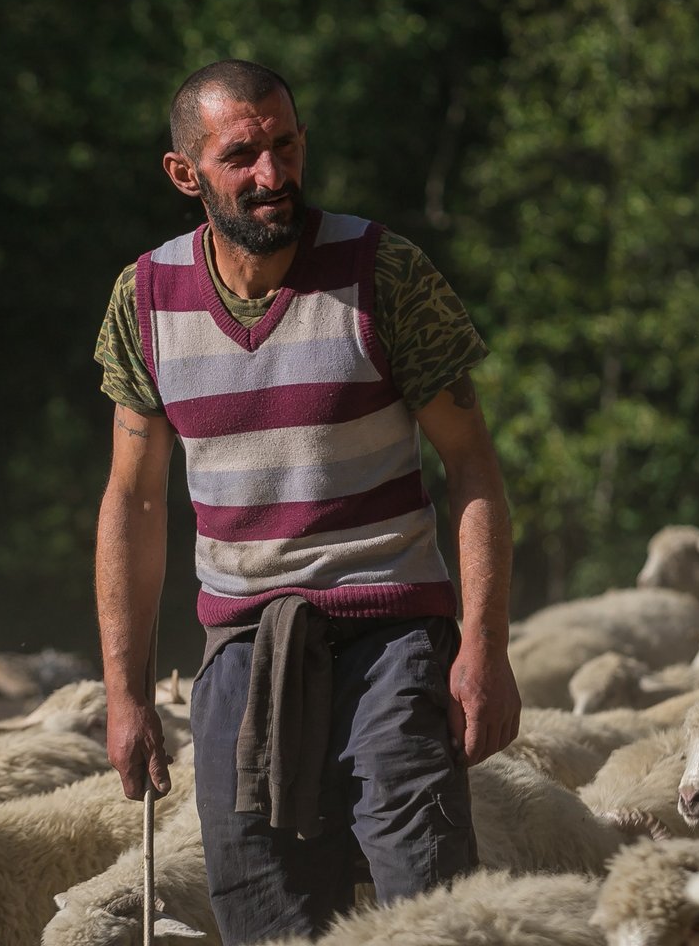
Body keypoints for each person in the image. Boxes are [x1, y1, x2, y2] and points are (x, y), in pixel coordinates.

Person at [93, 58, 521, 944]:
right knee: (263, 918)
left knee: (434, 911)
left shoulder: (383, 273)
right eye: (241, 155)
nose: (272, 176)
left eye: (285, 146)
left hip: (391, 639)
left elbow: (472, 467)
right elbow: (132, 506)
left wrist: (483, 646)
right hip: (242, 650)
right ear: (185, 174)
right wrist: (125, 695)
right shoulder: (146, 300)